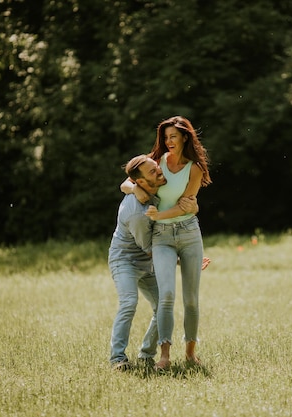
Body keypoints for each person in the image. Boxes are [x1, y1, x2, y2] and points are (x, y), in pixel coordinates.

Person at [122, 115, 211, 371]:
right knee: (167, 295)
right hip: (161, 237)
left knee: (191, 299)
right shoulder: (156, 161)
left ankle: (191, 353)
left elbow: (186, 206)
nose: (168, 141)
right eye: (165, 137)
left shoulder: (194, 169)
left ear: (185, 136)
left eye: (173, 136)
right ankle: (164, 355)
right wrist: (135, 190)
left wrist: (160, 214)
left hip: (188, 234)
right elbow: (128, 179)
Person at [108, 154, 199, 371]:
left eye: (157, 167)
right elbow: (149, 247)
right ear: (141, 182)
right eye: (153, 172)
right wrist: (180, 258)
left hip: (148, 261)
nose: (159, 171)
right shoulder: (137, 214)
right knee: (129, 303)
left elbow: (127, 182)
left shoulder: (150, 185)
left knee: (163, 305)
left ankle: (146, 353)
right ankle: (117, 359)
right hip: (126, 260)